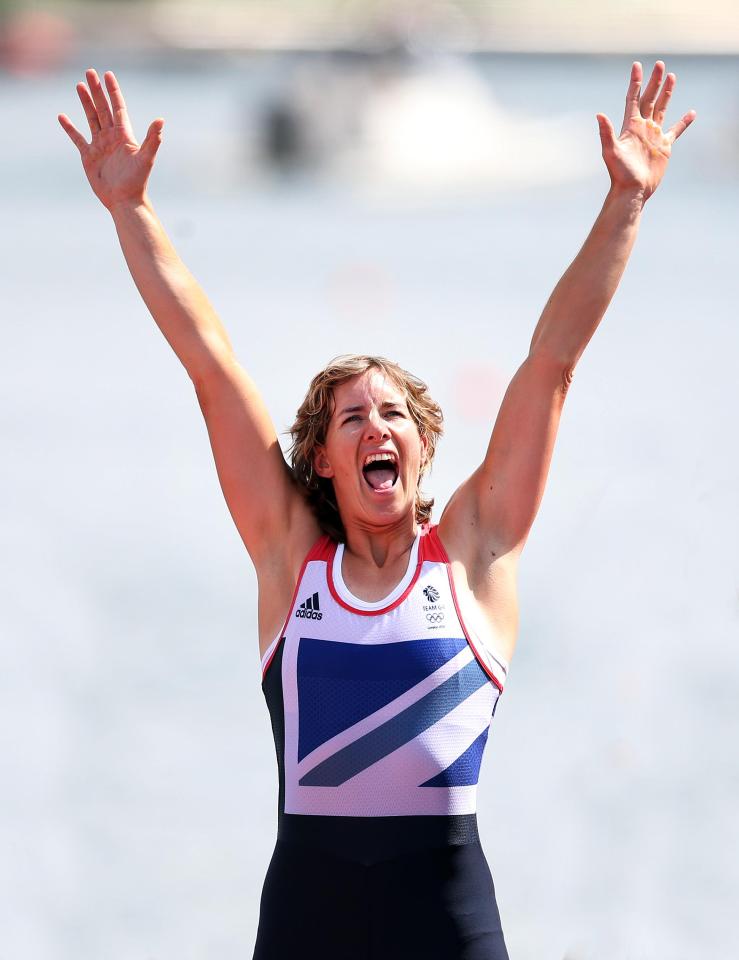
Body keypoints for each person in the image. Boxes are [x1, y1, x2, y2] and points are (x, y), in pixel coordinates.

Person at [59, 60, 695, 959]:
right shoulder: (290, 558)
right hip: (308, 921)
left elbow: (551, 363)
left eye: (392, 412)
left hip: (446, 918)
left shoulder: (473, 553)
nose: (375, 426)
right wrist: (130, 209)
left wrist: (625, 202)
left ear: (423, 448)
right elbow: (211, 370)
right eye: (352, 416)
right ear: (322, 457)